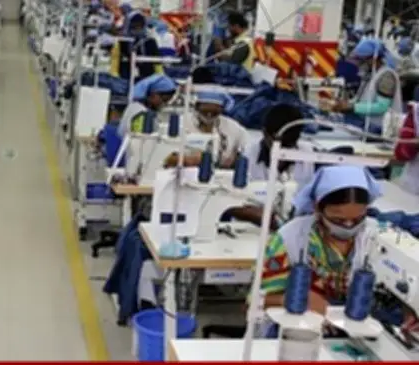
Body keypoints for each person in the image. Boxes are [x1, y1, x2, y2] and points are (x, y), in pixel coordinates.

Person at [255, 166, 382, 337]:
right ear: (317, 207)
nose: (349, 226)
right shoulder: (289, 238)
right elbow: (256, 300)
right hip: (296, 335)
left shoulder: (377, 237)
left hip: (357, 335)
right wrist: (289, 300)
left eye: (358, 219)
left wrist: (408, 309)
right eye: (338, 220)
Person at [322, 39, 401, 134]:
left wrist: (352, 107)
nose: (359, 63)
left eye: (362, 60)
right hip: (365, 122)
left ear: (373, 59)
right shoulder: (370, 74)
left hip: (379, 127)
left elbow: (382, 107)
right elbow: (361, 99)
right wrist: (343, 104)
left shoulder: (386, 76)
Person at [162, 89, 247, 168]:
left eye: (214, 111)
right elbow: (166, 157)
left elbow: (247, 148)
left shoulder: (233, 128)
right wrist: (188, 160)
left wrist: (236, 159)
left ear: (222, 110)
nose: (209, 114)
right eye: (205, 110)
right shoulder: (182, 123)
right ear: (196, 107)